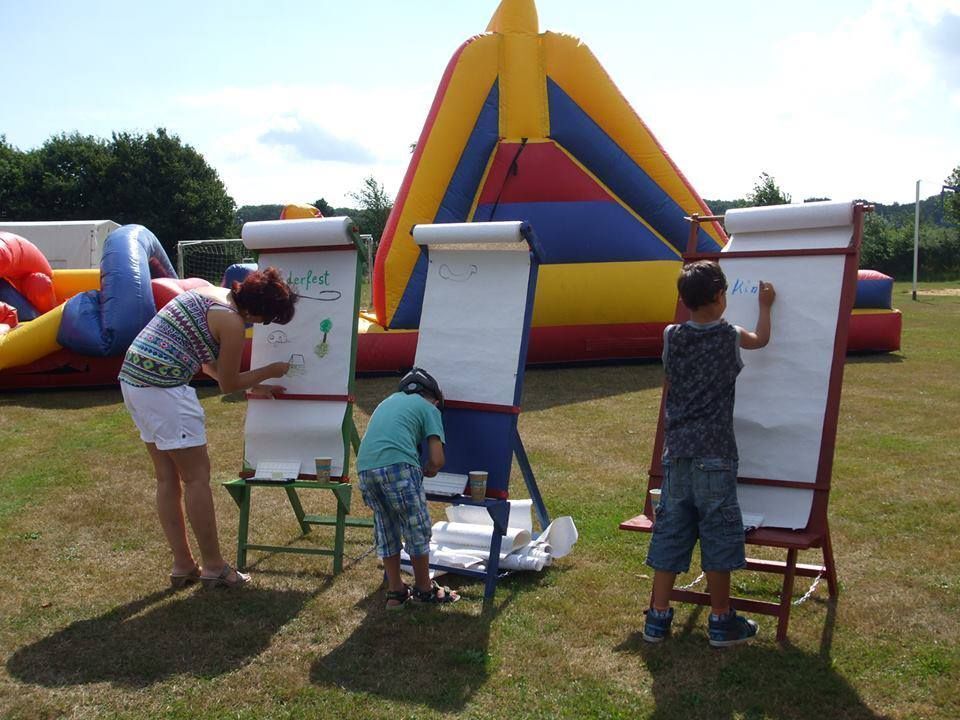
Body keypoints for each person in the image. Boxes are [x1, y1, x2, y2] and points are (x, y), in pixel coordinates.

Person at [118, 268, 297, 589]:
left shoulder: (205, 294)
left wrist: (253, 387)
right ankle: (214, 566)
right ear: (256, 310)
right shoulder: (231, 321)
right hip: (164, 391)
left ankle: (183, 564)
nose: (260, 325)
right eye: (265, 320)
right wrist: (271, 370)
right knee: (196, 479)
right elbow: (227, 383)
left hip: (134, 382)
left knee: (166, 478)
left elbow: (206, 364)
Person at [643, 260, 775, 647]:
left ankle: (657, 618)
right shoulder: (730, 335)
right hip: (716, 453)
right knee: (718, 536)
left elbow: (670, 378)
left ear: (682, 301)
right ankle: (721, 621)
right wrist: (766, 305)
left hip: (677, 453)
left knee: (670, 532)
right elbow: (761, 339)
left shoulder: (671, 335)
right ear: (720, 298)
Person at [356, 367, 460, 609]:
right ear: (435, 399)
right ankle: (425, 590)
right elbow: (437, 459)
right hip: (398, 468)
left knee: (386, 525)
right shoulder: (429, 408)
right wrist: (430, 469)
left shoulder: (386, 402)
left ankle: (396, 591)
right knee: (416, 527)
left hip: (365, 467)